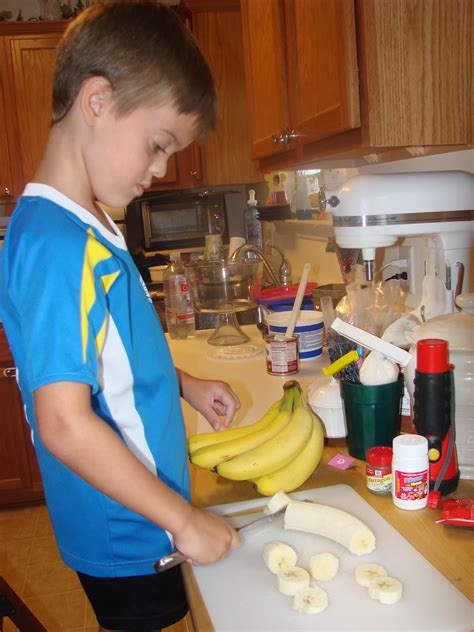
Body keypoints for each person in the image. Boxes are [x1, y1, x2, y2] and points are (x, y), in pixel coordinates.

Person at [0, 2, 241, 631]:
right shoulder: (59, 244)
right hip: (129, 530)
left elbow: (111, 352)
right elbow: (63, 424)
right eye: (157, 145)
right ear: (98, 100)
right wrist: (184, 519)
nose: (160, 169)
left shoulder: (92, 223)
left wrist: (184, 384)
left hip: (143, 513)